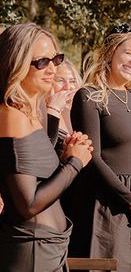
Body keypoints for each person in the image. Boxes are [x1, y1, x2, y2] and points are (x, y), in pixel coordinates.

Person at [69, 23, 131, 272]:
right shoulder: (88, 96)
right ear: (112, 51)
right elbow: (93, 158)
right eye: (130, 53)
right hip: (108, 204)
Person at [0, 23, 92, 271]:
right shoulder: (11, 117)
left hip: (47, 248)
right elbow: (28, 204)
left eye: (56, 59)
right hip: (32, 251)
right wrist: (75, 163)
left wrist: (65, 157)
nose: (52, 68)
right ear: (15, 64)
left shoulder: (27, 113)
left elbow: (35, 177)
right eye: (42, 61)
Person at [49, 58, 83, 147]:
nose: (68, 87)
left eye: (72, 81)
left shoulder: (81, 112)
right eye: (60, 80)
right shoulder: (42, 113)